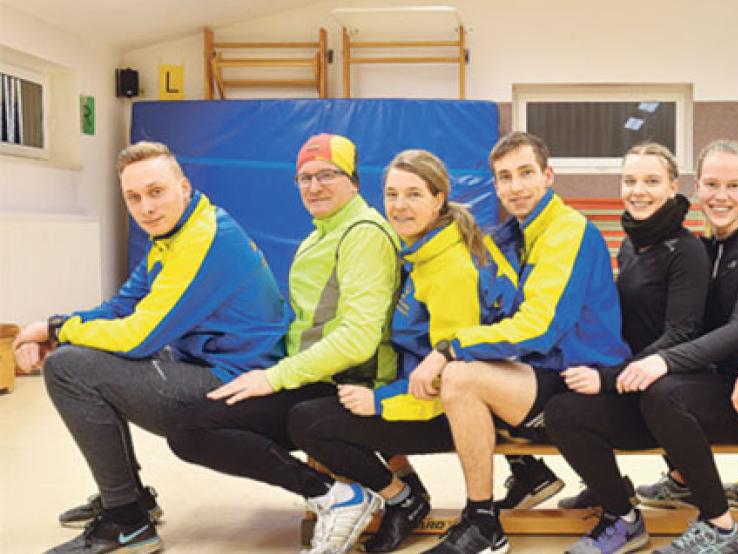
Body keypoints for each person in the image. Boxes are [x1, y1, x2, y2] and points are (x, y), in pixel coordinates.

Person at [12, 141, 290, 554]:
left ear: (183, 186)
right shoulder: (173, 233)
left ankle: (127, 524)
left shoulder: (204, 238)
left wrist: (55, 330)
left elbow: (139, 335)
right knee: (82, 355)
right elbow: (120, 307)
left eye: (156, 192)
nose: (146, 208)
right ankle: (130, 499)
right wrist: (57, 329)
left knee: (70, 367)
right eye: (134, 198)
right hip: (208, 366)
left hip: (241, 389)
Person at [549, 139, 738, 554]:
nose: (721, 195)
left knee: (662, 393)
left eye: (733, 186)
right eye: (713, 184)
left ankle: (719, 526)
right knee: (564, 407)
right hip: (703, 378)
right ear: (697, 188)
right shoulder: (707, 245)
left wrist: (646, 366)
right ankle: (633, 501)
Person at [164, 133, 402, 554]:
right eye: (304, 178)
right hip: (312, 373)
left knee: (192, 429)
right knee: (196, 420)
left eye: (327, 174)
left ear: (354, 180)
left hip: (345, 382)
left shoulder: (363, 233)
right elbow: (306, 325)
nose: (314, 186)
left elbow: (360, 338)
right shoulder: (318, 236)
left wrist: (274, 378)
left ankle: (338, 497)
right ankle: (373, 495)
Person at [285, 148, 518, 553]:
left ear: (439, 198)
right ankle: (404, 491)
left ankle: (404, 499)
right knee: (333, 389)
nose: (399, 206)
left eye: (413, 194)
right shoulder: (423, 246)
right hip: (418, 391)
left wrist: (380, 400)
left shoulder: (451, 268)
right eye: (392, 195)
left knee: (309, 423)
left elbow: (453, 371)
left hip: (450, 409)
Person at [409, 132, 631, 554]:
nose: (516, 186)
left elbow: (538, 327)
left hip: (584, 380)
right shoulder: (516, 236)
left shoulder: (569, 231)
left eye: (526, 173)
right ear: (495, 185)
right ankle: (528, 474)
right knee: (457, 371)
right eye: (505, 177)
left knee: (459, 378)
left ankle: (482, 521)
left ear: (548, 176)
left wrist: (448, 348)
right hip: (545, 371)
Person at [555, 142, 710, 512]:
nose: (638, 191)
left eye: (651, 181)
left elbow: (681, 334)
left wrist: (610, 378)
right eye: (629, 180)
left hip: (662, 385)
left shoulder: (687, 252)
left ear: (673, 186)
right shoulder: (629, 245)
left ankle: (623, 502)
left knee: (566, 410)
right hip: (629, 370)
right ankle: (606, 482)